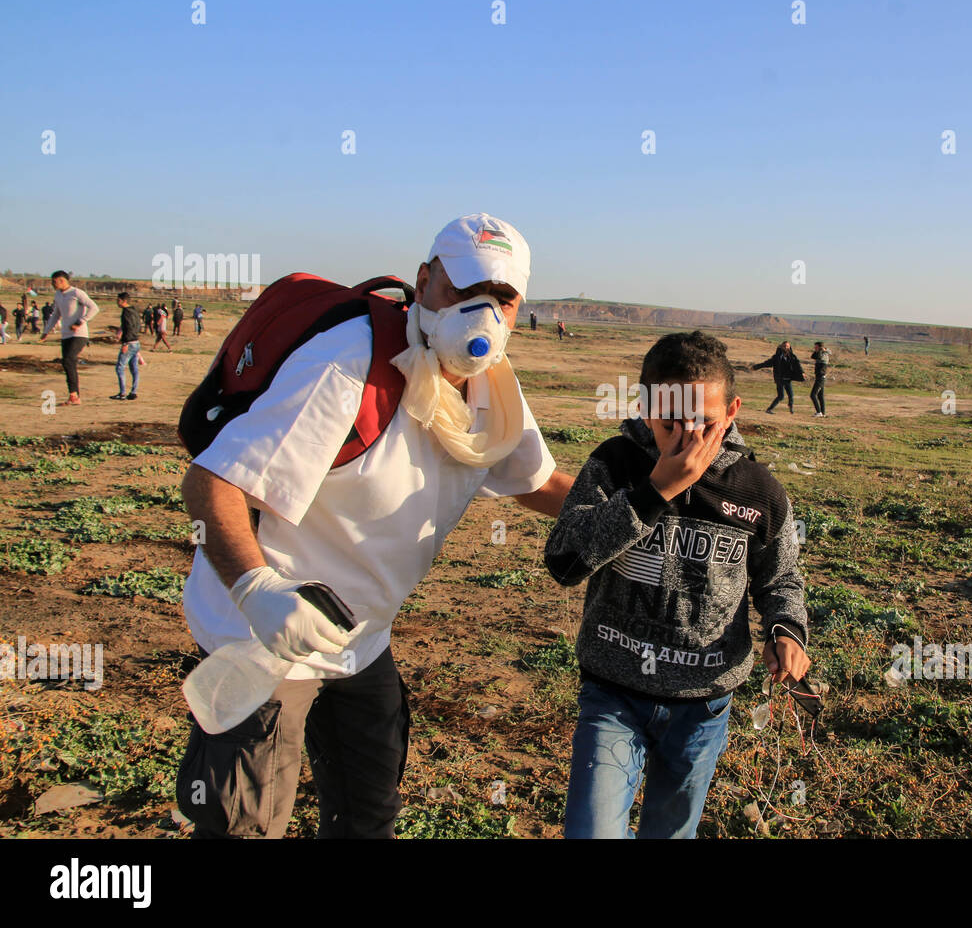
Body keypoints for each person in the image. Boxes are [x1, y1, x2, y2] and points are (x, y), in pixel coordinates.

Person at [174, 212, 574, 839]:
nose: (482, 316)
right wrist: (256, 590)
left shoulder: (493, 390)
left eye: (502, 299)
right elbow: (210, 482)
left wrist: (659, 503)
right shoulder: (348, 365)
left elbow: (543, 485)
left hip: (359, 638)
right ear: (424, 280)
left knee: (368, 811)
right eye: (464, 291)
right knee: (244, 823)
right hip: (265, 631)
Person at [545, 330, 810, 839]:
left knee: (670, 831)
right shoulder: (615, 465)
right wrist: (656, 490)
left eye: (705, 423)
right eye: (671, 422)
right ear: (646, 408)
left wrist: (787, 630)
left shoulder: (759, 491)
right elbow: (563, 561)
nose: (688, 438)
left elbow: (780, 578)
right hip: (613, 693)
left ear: (732, 411)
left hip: (702, 704)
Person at [40, 271, 100, 406]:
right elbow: (56, 315)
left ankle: (74, 395)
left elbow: (94, 308)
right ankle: (74, 395)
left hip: (80, 334)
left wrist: (80, 321)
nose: (52, 284)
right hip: (66, 335)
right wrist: (46, 332)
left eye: (54, 281)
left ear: (62, 280)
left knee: (68, 360)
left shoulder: (77, 293)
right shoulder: (58, 295)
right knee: (67, 363)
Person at [752, 341, 803, 414]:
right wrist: (756, 367)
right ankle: (769, 409)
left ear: (789, 347)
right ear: (781, 347)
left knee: (791, 395)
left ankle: (790, 407)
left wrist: (802, 372)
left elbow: (797, 365)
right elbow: (767, 363)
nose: (786, 348)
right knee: (781, 396)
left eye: (787, 346)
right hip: (780, 379)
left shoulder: (792, 356)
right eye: (784, 346)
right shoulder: (777, 357)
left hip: (788, 378)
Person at [111, 291, 142, 400]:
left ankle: (122, 392)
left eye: (118, 300)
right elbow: (137, 326)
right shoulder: (134, 310)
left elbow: (128, 327)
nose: (117, 302)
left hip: (129, 343)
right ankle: (133, 391)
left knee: (120, 368)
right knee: (134, 368)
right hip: (136, 342)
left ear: (124, 301)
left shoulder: (126, 312)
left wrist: (125, 343)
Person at [809, 341, 829, 417]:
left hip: (821, 377)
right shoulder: (820, 352)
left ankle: (819, 412)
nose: (815, 348)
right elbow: (813, 356)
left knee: (813, 395)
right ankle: (823, 413)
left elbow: (818, 357)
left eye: (816, 347)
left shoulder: (824, 354)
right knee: (820, 396)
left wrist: (820, 350)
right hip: (819, 377)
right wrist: (817, 350)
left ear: (820, 347)